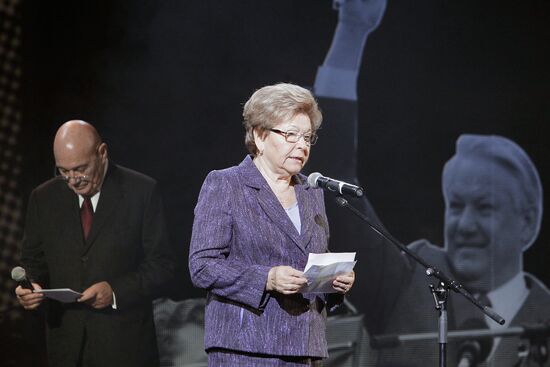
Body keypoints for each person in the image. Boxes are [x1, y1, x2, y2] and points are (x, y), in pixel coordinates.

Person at [308, 2, 550, 366]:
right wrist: (352, 31)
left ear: (528, 222)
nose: (465, 225)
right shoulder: (408, 279)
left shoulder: (543, 315)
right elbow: (330, 179)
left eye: (484, 208)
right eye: (456, 205)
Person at [189, 83, 356, 366]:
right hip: (246, 347)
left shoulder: (312, 194)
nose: (301, 145)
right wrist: (266, 278)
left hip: (305, 349)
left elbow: (310, 263)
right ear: (260, 136)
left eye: (307, 137)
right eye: (291, 134)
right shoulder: (226, 184)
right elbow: (203, 266)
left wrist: (334, 281)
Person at [15, 120, 174, 367]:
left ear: (102, 153)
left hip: (125, 349)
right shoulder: (43, 198)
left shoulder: (141, 192)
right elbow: (33, 261)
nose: (72, 180)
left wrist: (115, 291)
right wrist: (30, 287)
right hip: (65, 349)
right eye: (63, 171)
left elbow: (162, 267)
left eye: (80, 169)